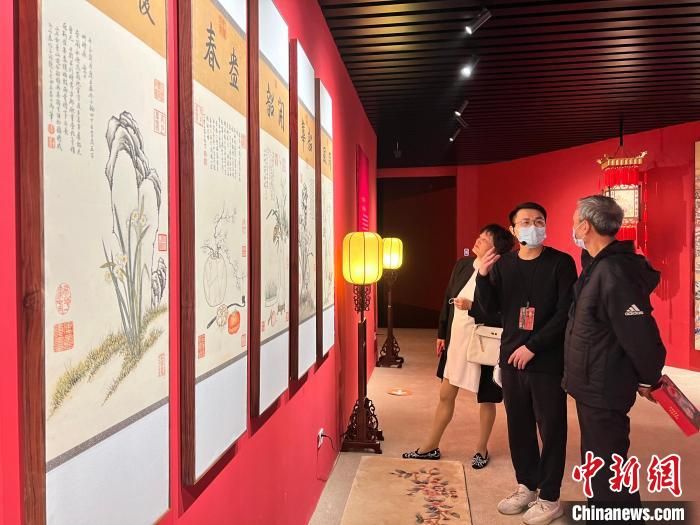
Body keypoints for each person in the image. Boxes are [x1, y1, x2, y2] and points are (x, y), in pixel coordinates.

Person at [476, 202, 577, 525]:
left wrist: (533, 346)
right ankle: (527, 486)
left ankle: (549, 497)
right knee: (518, 426)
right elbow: (489, 309)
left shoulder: (561, 263)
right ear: (513, 230)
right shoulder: (504, 264)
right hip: (511, 359)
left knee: (551, 427)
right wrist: (482, 276)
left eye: (539, 221)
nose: (533, 226)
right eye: (525, 222)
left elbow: (565, 313)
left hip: (546, 360)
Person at [564, 195, 666, 510]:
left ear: (585, 226)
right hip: (592, 381)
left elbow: (639, 332)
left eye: (575, 220)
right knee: (598, 464)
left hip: (604, 384)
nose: (572, 226)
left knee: (607, 469)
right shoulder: (598, 265)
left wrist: (649, 377)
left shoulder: (613, 271)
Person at [402, 224, 514, 469]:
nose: (478, 241)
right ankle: (430, 446)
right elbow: (448, 299)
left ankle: (481, 449)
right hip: (457, 338)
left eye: (485, 239)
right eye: (479, 236)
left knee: (486, 400)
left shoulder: (502, 273)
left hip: (484, 343)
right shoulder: (462, 265)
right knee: (445, 394)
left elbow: (502, 313)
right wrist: (442, 333)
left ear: (495, 250)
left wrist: (472, 306)